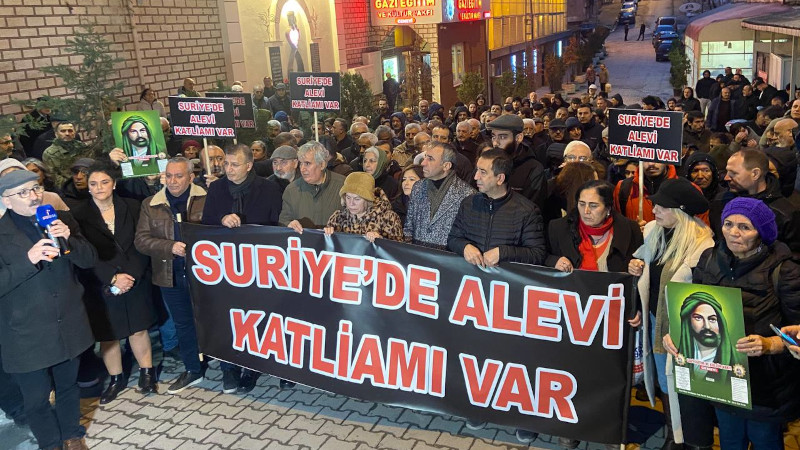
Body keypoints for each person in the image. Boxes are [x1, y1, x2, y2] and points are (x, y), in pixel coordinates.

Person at [663, 197, 800, 449]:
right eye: (728, 224)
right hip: (722, 378)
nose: (733, 232)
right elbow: (694, 306)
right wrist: (678, 333)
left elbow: (797, 332)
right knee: (729, 439)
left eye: (745, 227)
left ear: (761, 233)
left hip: (765, 386)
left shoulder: (785, 270)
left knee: (765, 440)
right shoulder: (709, 258)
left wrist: (770, 344)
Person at [0, 170, 97, 450]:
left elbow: (89, 260)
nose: (33, 196)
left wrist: (70, 240)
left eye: (36, 188)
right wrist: (28, 260)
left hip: (68, 322)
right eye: (23, 193)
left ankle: (72, 436)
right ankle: (50, 444)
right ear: (6, 200)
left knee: (69, 386)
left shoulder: (58, 220)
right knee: (36, 399)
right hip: (25, 333)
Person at [547, 179, 643, 450]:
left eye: (593, 205)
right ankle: (571, 425)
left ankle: (609, 430)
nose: (586, 211)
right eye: (581, 204)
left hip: (613, 317)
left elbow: (638, 277)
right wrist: (552, 261)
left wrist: (635, 305)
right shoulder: (558, 227)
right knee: (572, 372)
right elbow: (541, 257)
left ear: (608, 207)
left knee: (609, 376)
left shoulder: (629, 230)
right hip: (571, 315)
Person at [627, 178, 715, 450]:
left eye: (662, 206)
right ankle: (673, 434)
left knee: (688, 384)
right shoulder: (653, 231)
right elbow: (646, 270)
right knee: (665, 381)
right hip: (656, 321)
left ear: (680, 211)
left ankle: (694, 440)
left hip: (685, 329)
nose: (654, 210)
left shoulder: (702, 245)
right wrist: (635, 267)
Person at [71, 162, 157, 404]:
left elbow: (141, 243)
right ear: (88, 187)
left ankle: (147, 373)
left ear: (114, 184)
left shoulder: (133, 206)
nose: (99, 188)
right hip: (101, 282)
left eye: (104, 182)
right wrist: (111, 277)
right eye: (93, 184)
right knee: (109, 334)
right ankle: (116, 379)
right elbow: (82, 253)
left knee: (138, 328)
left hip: (134, 277)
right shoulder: (77, 214)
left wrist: (130, 276)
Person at [135, 157, 209, 394]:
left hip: (205, 273)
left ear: (191, 177)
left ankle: (226, 366)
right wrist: (169, 247)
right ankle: (193, 368)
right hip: (170, 274)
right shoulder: (151, 204)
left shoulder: (206, 198)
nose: (173, 181)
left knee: (212, 319)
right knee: (183, 323)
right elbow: (141, 240)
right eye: (168, 176)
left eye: (179, 176)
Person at [448, 148, 546, 267]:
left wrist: (502, 253)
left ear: (500, 178)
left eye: (483, 172)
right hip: (471, 276)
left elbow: (537, 254)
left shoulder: (527, 211)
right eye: (477, 170)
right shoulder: (468, 203)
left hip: (505, 278)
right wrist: (464, 247)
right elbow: (453, 238)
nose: (476, 177)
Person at [404, 142, 476, 249]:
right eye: (425, 157)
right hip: (417, 254)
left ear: (446, 166)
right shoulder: (418, 187)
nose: (423, 163)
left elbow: (467, 235)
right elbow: (409, 226)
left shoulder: (467, 194)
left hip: (446, 256)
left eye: (430, 159)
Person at [281, 141, 346, 233]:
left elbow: (356, 218)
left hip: (335, 241)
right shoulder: (291, 190)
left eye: (307, 163)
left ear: (322, 164)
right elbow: (283, 220)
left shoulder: (343, 185)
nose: (302, 169)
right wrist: (289, 224)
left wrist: (337, 228)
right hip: (304, 241)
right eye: (301, 163)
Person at [324, 172, 403, 242]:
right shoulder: (338, 218)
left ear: (368, 200)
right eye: (348, 197)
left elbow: (398, 249)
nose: (351, 203)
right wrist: (327, 234)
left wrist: (380, 240)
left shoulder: (388, 218)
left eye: (357, 199)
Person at [43, 121, 95, 189]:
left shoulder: (82, 147)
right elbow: (53, 176)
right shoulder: (50, 153)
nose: (67, 134)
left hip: (87, 184)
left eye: (70, 131)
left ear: (74, 133)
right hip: (65, 188)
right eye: (63, 131)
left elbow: (92, 166)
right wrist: (72, 186)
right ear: (56, 134)